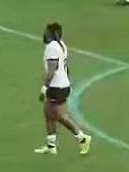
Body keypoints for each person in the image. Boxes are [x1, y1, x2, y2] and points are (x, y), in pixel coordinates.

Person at [35, 22, 92, 156]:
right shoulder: (61, 44)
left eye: (47, 32)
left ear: (52, 34)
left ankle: (82, 137)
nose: (44, 34)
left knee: (57, 115)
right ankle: (51, 146)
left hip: (57, 86)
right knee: (49, 112)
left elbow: (52, 69)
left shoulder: (52, 47)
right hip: (62, 84)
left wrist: (44, 88)